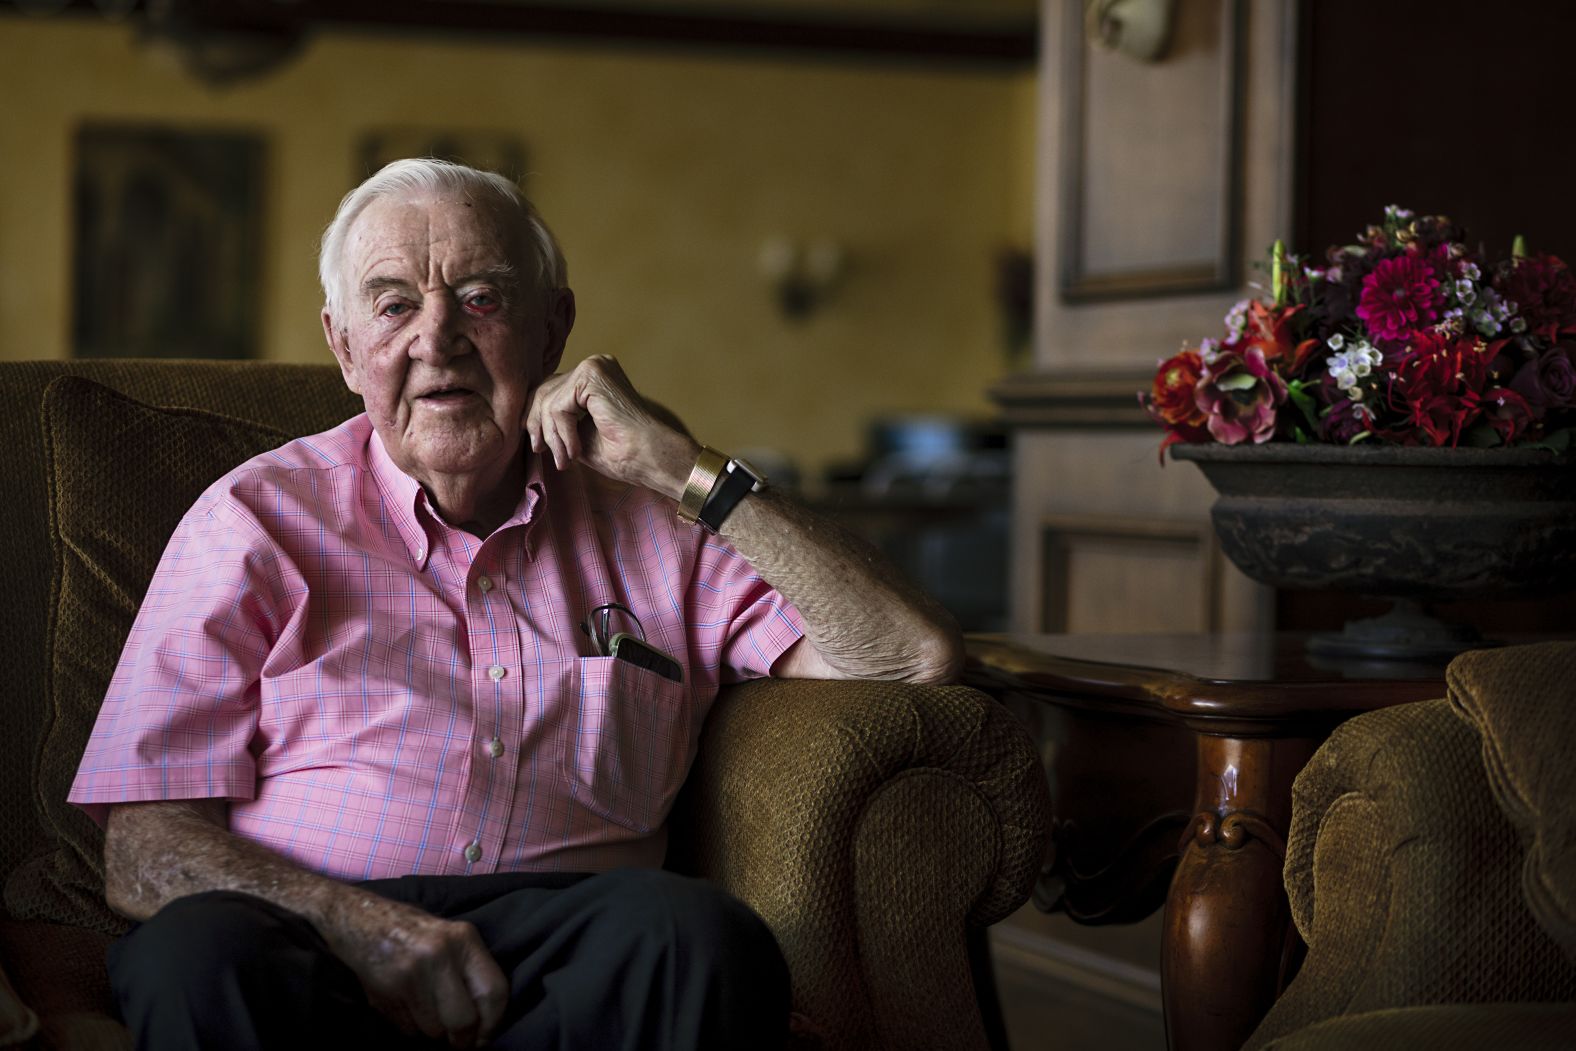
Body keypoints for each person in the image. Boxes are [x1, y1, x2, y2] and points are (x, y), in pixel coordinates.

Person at [68, 157, 963, 1051]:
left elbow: (910, 656)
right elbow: (146, 845)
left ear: (553, 331)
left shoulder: (660, 519)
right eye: (393, 306)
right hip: (309, 938)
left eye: (482, 298)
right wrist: (356, 926)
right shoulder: (256, 519)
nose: (438, 339)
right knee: (196, 953)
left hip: (565, 946)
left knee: (697, 940)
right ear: (344, 347)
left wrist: (681, 467)